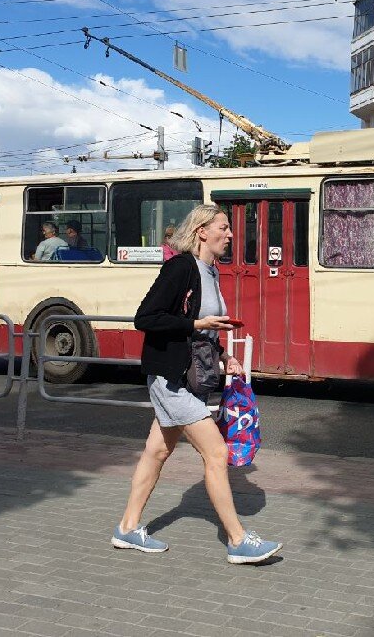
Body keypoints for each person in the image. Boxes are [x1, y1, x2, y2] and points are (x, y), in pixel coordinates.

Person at [113, 204, 282, 564]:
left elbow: (204, 324)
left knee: (157, 451)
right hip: (170, 378)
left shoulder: (210, 271)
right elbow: (146, 318)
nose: (231, 234)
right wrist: (197, 326)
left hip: (191, 375)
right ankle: (238, 540)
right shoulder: (180, 267)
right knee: (217, 452)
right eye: (224, 227)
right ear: (202, 231)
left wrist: (223, 356)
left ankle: (127, 528)